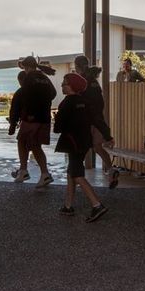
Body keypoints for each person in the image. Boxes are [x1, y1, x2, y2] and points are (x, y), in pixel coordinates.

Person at [53, 73, 108, 222]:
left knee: (77, 174)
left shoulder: (66, 103)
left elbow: (58, 128)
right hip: (84, 142)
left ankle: (97, 205)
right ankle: (68, 205)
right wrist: (108, 136)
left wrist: (56, 118)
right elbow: (96, 120)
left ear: (72, 86)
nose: (62, 85)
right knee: (72, 171)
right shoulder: (85, 102)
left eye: (65, 83)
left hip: (72, 142)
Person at [8, 64, 56, 187]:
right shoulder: (44, 78)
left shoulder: (29, 79)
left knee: (22, 141)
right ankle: (43, 173)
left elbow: (20, 103)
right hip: (44, 118)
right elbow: (53, 93)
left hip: (31, 119)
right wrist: (43, 104)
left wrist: (14, 124)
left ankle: (24, 170)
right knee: (36, 146)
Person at [74, 54, 117, 187]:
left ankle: (76, 175)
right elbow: (100, 103)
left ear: (77, 67)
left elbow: (78, 100)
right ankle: (111, 170)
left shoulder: (82, 81)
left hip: (87, 120)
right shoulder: (94, 81)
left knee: (80, 148)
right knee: (98, 147)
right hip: (98, 119)